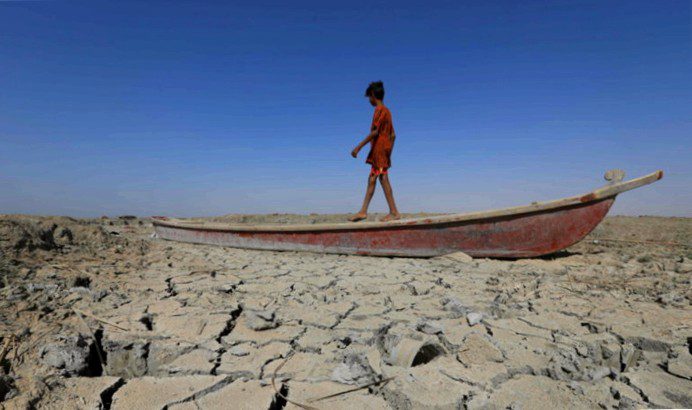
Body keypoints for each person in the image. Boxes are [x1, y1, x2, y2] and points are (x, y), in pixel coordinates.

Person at [350, 81, 401, 222]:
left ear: (372, 95)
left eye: (369, 98)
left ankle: (394, 212)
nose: (369, 101)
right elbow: (393, 135)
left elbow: (374, 132)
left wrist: (358, 147)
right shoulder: (388, 112)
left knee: (383, 178)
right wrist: (389, 152)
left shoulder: (379, 110)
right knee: (373, 178)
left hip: (379, 149)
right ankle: (363, 211)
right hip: (383, 150)